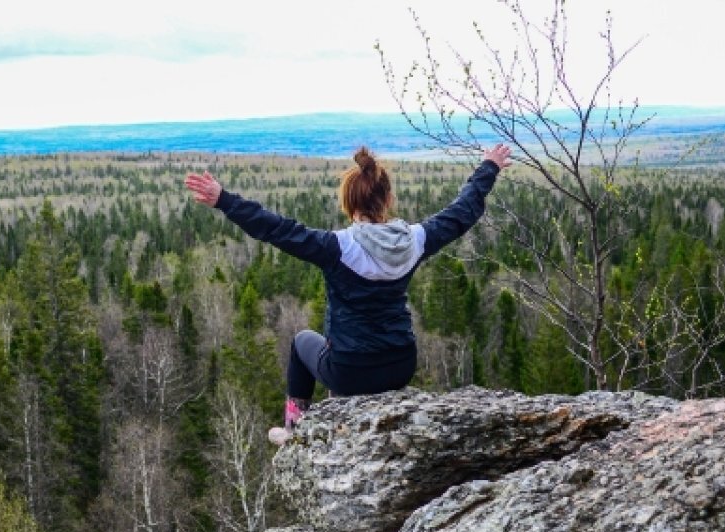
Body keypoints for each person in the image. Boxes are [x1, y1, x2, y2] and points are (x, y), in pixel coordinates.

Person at [185, 143, 512, 445]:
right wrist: (488, 167)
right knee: (339, 354)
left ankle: (294, 431)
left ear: (349, 203)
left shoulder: (336, 247)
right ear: (387, 200)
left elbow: (276, 228)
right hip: (400, 364)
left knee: (301, 343)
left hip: (350, 372)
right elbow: (462, 212)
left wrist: (224, 200)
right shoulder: (415, 240)